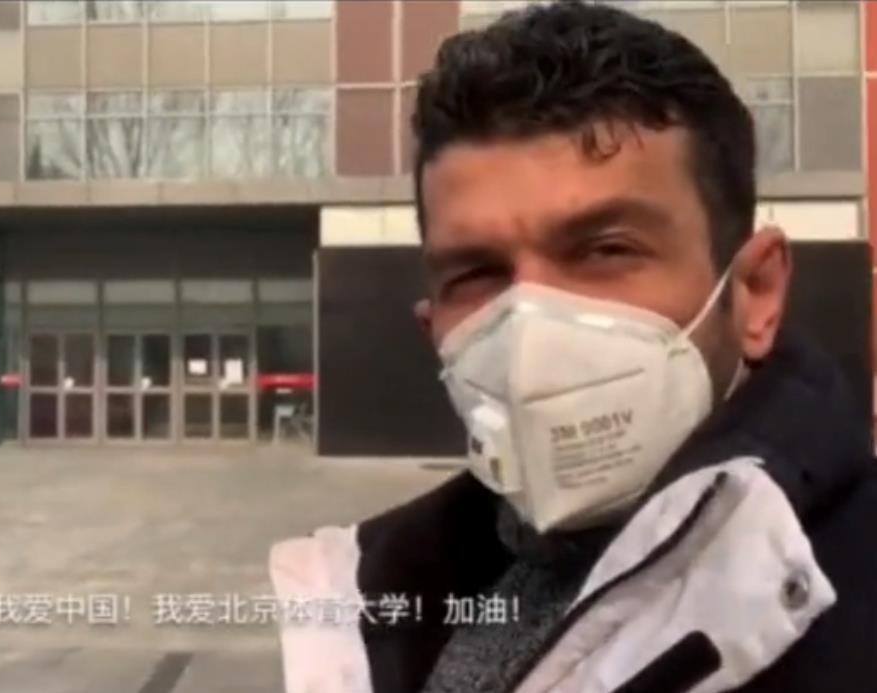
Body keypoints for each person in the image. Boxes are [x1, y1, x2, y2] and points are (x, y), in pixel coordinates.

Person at [268, 2, 877, 692]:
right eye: (476, 272)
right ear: (431, 327)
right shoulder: (388, 597)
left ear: (755, 293)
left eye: (606, 249)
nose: (532, 325)